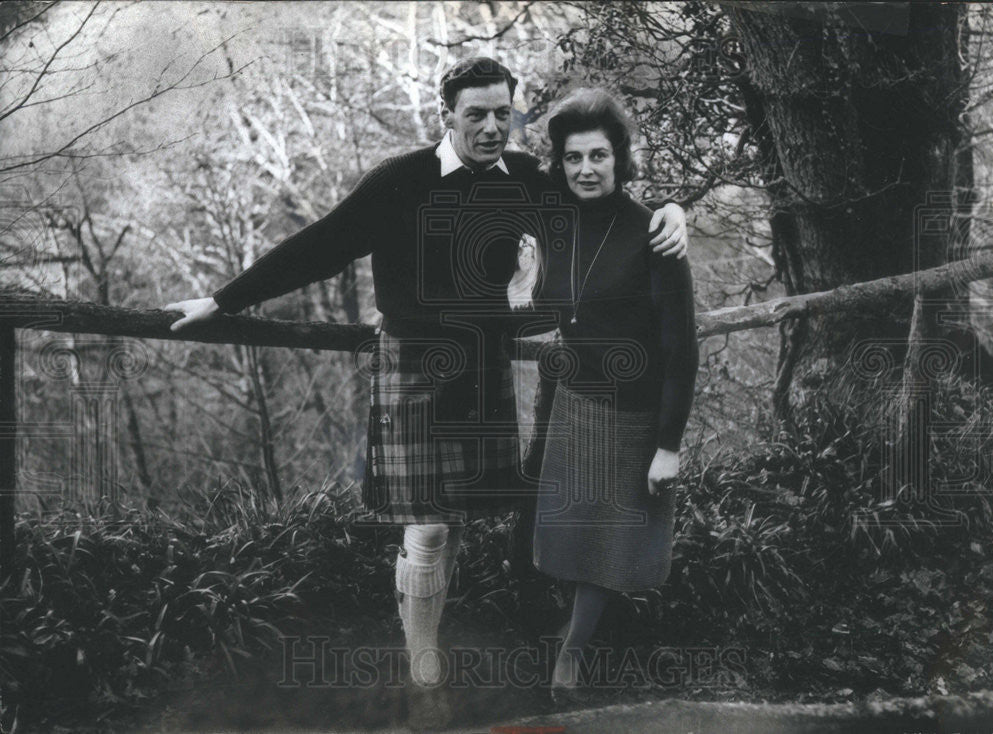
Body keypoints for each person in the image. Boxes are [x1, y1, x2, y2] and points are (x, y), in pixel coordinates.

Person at [163, 58, 688, 726]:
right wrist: (223, 298)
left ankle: (429, 627)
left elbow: (602, 197)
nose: (492, 126)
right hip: (413, 361)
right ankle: (422, 665)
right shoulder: (401, 181)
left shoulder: (529, 179)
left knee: (456, 519)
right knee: (433, 521)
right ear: (447, 116)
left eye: (503, 113)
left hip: (485, 363)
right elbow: (321, 245)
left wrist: (669, 212)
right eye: (477, 114)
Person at [529, 88, 699, 703]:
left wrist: (669, 445)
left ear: (619, 158)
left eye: (598, 156)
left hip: (632, 416)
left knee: (607, 545)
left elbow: (683, 348)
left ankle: (571, 657)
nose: (585, 170)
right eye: (573, 158)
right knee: (569, 535)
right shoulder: (558, 214)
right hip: (572, 403)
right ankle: (574, 628)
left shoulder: (652, 234)